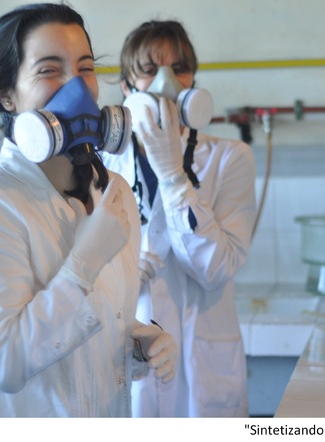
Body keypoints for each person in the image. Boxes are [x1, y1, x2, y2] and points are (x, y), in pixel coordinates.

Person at [0, 3, 177, 418]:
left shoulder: (113, 191)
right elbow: (1, 364)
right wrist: (82, 265)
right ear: (7, 95)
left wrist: (136, 342)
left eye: (85, 68)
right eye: (49, 70)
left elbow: (88, 333)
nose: (77, 89)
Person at [102, 20, 256, 417]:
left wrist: (173, 176)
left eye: (179, 68)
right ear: (126, 88)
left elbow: (216, 269)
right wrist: (117, 274)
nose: (166, 82)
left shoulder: (230, 158)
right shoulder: (100, 163)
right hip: (128, 358)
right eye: (150, 70)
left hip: (201, 369)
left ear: (193, 81)